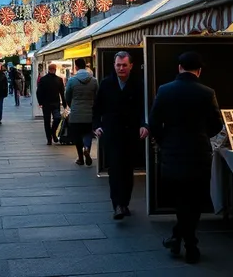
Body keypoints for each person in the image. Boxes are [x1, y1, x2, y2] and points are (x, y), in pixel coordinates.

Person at [148, 52, 223, 264]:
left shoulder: (164, 90)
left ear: (180, 67)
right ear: (199, 71)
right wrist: (201, 136)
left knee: (181, 200)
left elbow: (153, 122)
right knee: (194, 200)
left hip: (172, 152)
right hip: (198, 153)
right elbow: (217, 124)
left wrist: (165, 141)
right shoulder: (207, 92)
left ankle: (181, 239)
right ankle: (189, 244)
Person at [92, 51, 148, 220]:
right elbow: (97, 108)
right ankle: (117, 204)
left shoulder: (139, 84)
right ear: (114, 66)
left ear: (131, 66)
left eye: (124, 65)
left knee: (127, 171)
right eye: (118, 65)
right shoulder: (106, 83)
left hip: (131, 134)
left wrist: (144, 125)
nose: (121, 68)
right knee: (115, 170)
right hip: (112, 133)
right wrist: (96, 126)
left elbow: (144, 108)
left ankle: (125, 202)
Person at [65, 58, 99, 166]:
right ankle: (87, 149)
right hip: (90, 112)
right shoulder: (94, 80)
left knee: (77, 135)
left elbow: (67, 96)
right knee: (88, 133)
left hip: (76, 112)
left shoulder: (72, 80)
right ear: (86, 66)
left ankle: (80, 158)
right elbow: (98, 96)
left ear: (76, 67)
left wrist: (72, 105)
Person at [37, 63, 67, 145]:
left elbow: (39, 92)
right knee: (56, 118)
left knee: (48, 121)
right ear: (55, 69)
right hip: (55, 103)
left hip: (47, 103)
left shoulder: (43, 79)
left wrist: (40, 102)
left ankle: (50, 137)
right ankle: (52, 134)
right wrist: (64, 104)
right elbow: (62, 93)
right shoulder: (58, 80)